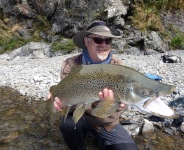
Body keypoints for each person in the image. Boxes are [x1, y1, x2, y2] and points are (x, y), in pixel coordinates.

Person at [49, 20, 138, 150]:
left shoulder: (118, 67)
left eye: (107, 41)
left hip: (105, 122)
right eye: (98, 40)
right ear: (86, 41)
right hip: (79, 116)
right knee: (67, 125)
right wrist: (59, 101)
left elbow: (120, 107)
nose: (103, 44)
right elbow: (66, 97)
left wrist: (116, 104)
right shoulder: (71, 65)